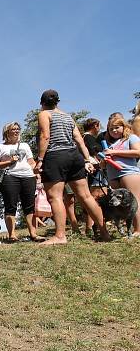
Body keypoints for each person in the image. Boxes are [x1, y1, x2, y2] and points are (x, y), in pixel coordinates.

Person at [34, 89, 109, 244]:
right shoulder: (67, 116)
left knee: (55, 196)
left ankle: (60, 236)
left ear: (42, 103)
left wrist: (40, 159)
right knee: (86, 196)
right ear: (57, 102)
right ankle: (104, 232)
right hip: (74, 156)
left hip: (55, 156)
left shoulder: (44, 114)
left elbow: (45, 136)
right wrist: (87, 160)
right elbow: (79, 139)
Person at [0, 122, 44, 242]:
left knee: (29, 206)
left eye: (18, 129)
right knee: (10, 205)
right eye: (13, 129)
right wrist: (9, 162)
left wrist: (36, 172)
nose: (16, 131)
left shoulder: (25, 145)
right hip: (10, 176)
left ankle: (33, 234)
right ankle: (12, 235)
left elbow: (31, 161)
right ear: (7, 132)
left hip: (28, 176)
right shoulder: (0, 147)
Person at [102, 116, 140, 236]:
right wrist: (103, 160)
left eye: (117, 127)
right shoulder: (111, 144)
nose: (114, 131)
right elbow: (103, 165)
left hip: (129, 173)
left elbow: (137, 152)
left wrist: (114, 152)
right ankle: (127, 230)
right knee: (119, 205)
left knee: (134, 202)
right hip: (113, 176)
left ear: (124, 127)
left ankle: (138, 230)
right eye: (111, 129)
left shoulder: (131, 138)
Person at [81, 118, 108, 235]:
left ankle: (91, 227)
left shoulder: (83, 137)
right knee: (98, 198)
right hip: (96, 169)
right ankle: (95, 226)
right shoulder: (89, 138)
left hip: (91, 169)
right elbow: (95, 151)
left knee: (93, 198)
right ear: (95, 126)